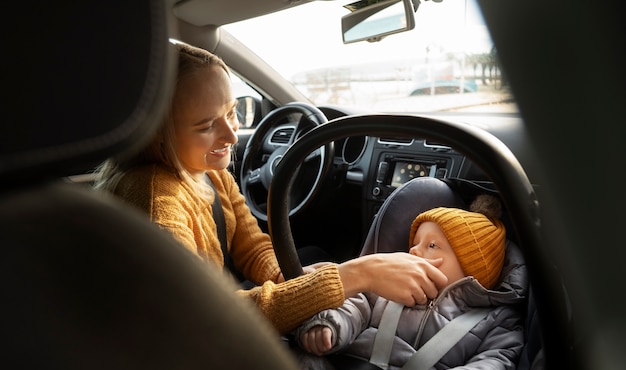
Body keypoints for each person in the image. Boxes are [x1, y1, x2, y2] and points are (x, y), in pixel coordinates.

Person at [92, 41, 448, 335]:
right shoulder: (156, 200)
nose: (231, 136)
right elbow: (203, 317)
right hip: (190, 347)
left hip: (216, 312)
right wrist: (360, 273)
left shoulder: (208, 172)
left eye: (232, 113)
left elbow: (251, 245)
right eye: (206, 125)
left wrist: (288, 277)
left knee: (309, 255)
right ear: (156, 132)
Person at [295, 194, 528, 370]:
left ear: (471, 268)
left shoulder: (498, 321)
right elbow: (357, 303)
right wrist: (331, 323)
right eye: (414, 244)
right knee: (301, 365)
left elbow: (492, 368)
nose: (414, 250)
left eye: (432, 245)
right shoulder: (391, 285)